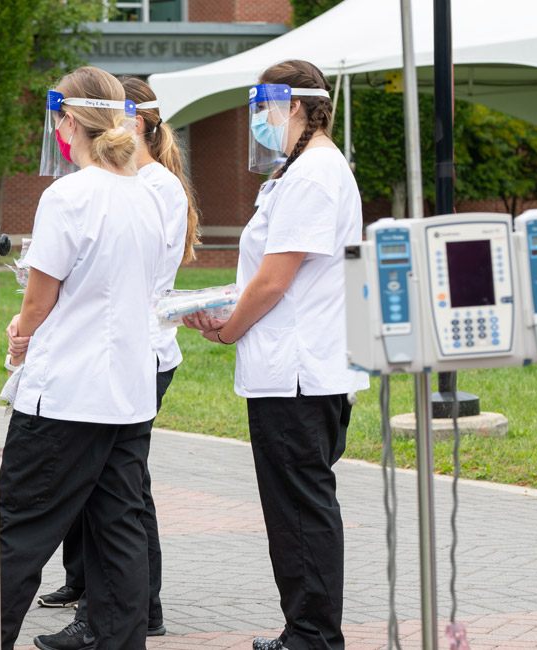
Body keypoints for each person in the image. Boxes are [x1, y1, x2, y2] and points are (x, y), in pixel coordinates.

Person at [0, 65, 166, 650]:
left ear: (68, 121)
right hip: (127, 392)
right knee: (119, 531)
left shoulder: (69, 196)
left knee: (20, 537)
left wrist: (20, 334)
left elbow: (39, 295)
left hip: (67, 398)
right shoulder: (145, 195)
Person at [184, 59, 369, 650]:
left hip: (297, 373)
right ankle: (306, 628)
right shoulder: (301, 171)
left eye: (262, 106)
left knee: (299, 510)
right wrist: (225, 310)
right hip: (294, 366)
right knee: (296, 506)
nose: (257, 119)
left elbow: (274, 280)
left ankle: (313, 635)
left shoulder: (314, 174)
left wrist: (229, 327)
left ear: (292, 106)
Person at [32, 74, 202, 650]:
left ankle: (131, 609)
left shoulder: (153, 186)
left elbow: (139, 275)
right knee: (109, 492)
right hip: (116, 348)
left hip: (135, 351)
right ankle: (99, 604)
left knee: (123, 496)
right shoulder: (123, 182)